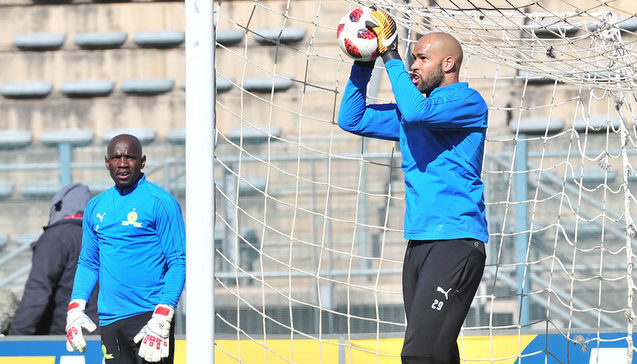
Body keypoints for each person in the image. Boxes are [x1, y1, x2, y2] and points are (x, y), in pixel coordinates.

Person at [338, 9, 488, 364]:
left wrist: (390, 54)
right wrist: (365, 60)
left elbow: (419, 113)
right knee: (439, 353)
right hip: (419, 244)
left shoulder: (468, 102)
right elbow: (352, 118)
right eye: (411, 58)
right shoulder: (411, 112)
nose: (414, 65)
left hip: (456, 244)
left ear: (448, 63)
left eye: (423, 58)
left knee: (420, 353)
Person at [65, 134, 186, 364]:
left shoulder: (160, 202)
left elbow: (178, 261)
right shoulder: (95, 206)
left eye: (129, 157)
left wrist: (164, 313)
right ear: (106, 162)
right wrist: (75, 307)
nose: (122, 163)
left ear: (142, 161)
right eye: (116, 157)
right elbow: (89, 263)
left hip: (150, 318)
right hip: (110, 321)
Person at [9, 183, 99, 335]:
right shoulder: (102, 239)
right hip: (102, 339)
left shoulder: (56, 237)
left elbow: (38, 290)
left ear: (58, 207)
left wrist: (15, 338)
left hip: (64, 340)